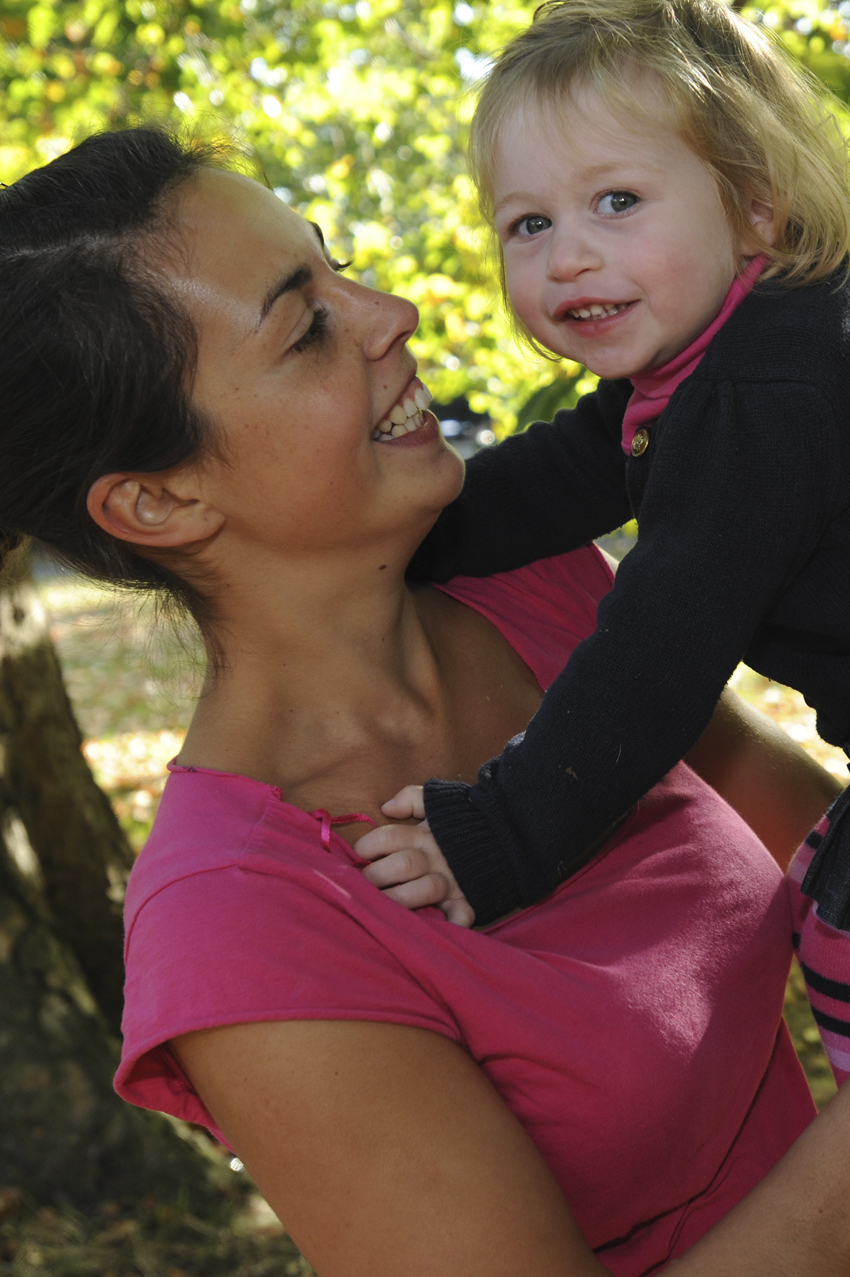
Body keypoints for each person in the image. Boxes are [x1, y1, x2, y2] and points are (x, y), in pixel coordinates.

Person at [0, 126, 845, 1276]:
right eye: (306, 326)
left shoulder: (529, 585)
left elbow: (810, 831)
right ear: (158, 500)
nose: (389, 309)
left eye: (337, 262)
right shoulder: (242, 926)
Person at [354, 0, 850, 1087]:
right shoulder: (711, 363)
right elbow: (565, 470)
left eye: (616, 202)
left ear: (754, 212)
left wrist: (502, 833)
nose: (569, 257)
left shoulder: (762, 394)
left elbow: (662, 640)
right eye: (527, 224)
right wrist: (400, 532)